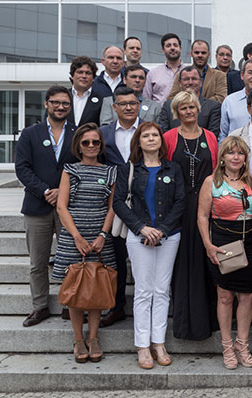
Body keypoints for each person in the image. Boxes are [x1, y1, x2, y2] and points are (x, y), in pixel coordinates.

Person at [112, 122, 185, 369]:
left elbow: (180, 202)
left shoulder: (173, 168)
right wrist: (142, 228)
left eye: (155, 135)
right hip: (138, 235)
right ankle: (142, 346)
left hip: (169, 236)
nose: (151, 139)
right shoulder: (129, 168)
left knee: (162, 290)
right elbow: (119, 203)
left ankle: (158, 342)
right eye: (146, 135)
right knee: (144, 291)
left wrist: (162, 230)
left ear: (161, 141)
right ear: (138, 141)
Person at [52, 122, 117, 363]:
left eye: (95, 142)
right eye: (86, 142)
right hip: (73, 238)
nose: (91, 146)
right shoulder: (70, 170)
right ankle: (78, 339)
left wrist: (102, 235)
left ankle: (94, 337)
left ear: (101, 145)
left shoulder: (110, 172)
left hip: (100, 238)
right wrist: (77, 237)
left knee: (97, 286)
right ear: (78, 146)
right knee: (76, 289)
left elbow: (112, 207)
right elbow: (62, 206)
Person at [15, 85, 77, 327]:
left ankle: (67, 305)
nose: (60, 107)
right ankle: (39, 307)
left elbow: (85, 164)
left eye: (65, 103)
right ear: (46, 104)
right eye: (56, 102)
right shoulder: (30, 134)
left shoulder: (77, 133)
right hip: (37, 206)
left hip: (68, 207)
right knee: (38, 262)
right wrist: (45, 191)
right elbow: (22, 168)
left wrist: (64, 191)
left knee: (70, 260)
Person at [196, 136, 252, 370]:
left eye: (240, 153)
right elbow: (202, 216)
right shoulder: (211, 182)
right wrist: (208, 244)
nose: (235, 157)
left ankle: (242, 344)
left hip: (249, 241)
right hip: (222, 243)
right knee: (225, 295)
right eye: (231, 153)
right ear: (222, 157)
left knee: (248, 296)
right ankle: (227, 345)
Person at [163, 90, 220, 341]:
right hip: (179, 207)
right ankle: (185, 322)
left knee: (206, 263)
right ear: (176, 112)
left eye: (192, 107)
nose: (188, 111)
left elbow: (217, 170)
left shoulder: (210, 137)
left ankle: (208, 320)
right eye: (183, 108)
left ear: (198, 109)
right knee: (181, 264)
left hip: (207, 206)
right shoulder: (168, 137)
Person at [99, 86, 142, 328]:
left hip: (144, 204)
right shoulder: (103, 134)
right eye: (123, 103)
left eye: (132, 103)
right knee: (116, 257)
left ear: (139, 105)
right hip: (114, 205)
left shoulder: (149, 131)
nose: (128, 107)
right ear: (114, 107)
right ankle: (117, 306)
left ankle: (145, 305)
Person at [159, 66, 221, 135]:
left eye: (194, 79)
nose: (190, 82)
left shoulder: (213, 106)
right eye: (186, 79)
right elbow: (164, 133)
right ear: (180, 83)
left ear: (201, 82)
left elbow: (213, 134)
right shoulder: (168, 105)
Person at [143, 33, 185, 104]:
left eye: (175, 45)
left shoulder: (189, 72)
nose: (172, 48)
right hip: (159, 114)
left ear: (180, 48)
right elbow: (146, 101)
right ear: (163, 50)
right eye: (168, 46)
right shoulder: (153, 73)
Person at [68, 56, 103, 128]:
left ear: (93, 78)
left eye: (88, 73)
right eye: (80, 72)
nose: (84, 76)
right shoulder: (62, 96)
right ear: (72, 76)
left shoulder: (101, 100)